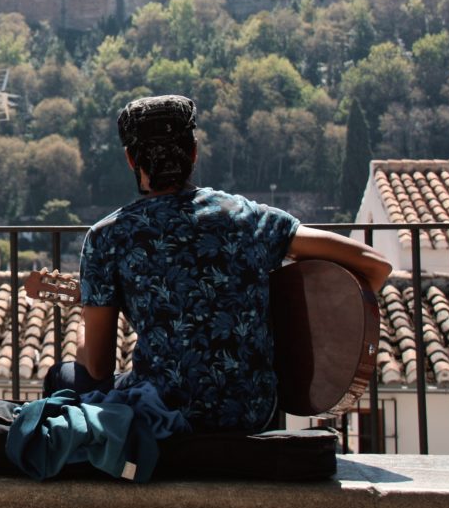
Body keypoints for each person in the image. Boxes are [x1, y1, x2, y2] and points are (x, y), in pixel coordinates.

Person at [44, 94, 392, 434]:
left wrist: (84, 320)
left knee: (63, 378)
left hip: (166, 417)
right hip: (254, 416)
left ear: (131, 160)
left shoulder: (108, 236)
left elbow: (100, 367)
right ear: (194, 153)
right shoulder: (249, 218)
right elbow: (376, 267)